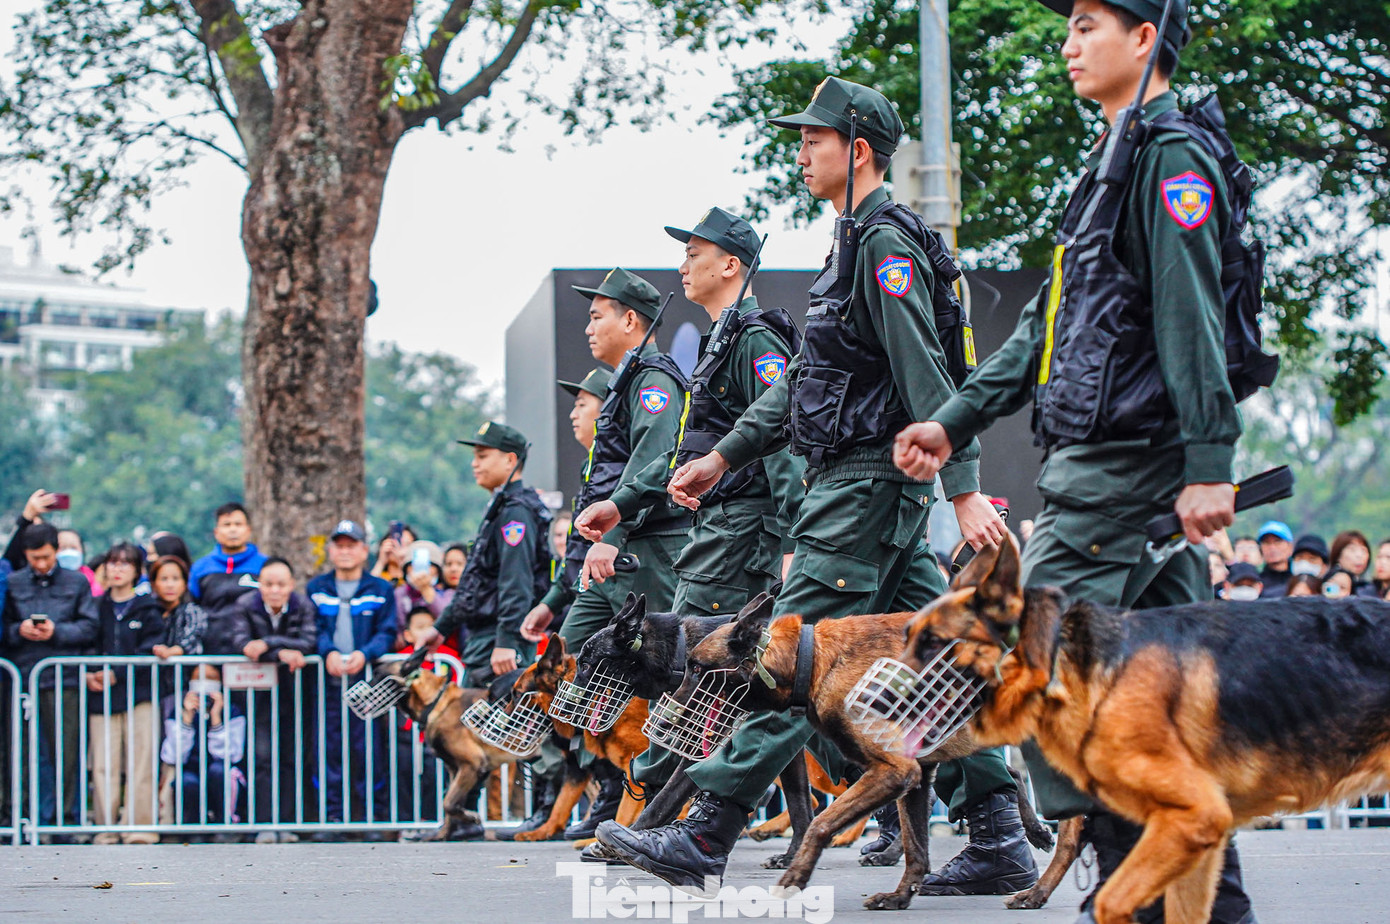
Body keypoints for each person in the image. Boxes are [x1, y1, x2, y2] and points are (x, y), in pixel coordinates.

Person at [888, 1, 1262, 920]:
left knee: (1029, 666)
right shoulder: (1111, 162)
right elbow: (1039, 332)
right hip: (1111, 472)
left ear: (1145, 38)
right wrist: (951, 421)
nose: (1067, 44)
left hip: (1121, 475)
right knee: (1171, 713)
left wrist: (1210, 461)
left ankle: (1129, 881)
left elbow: (1189, 315)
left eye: (1088, 24)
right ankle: (1212, 906)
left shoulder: (1169, 157)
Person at [602, 77, 1015, 893]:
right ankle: (1000, 833)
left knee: (784, 658)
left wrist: (963, 484)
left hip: (864, 487)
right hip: (869, 492)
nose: (800, 153)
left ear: (857, 151)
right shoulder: (851, 243)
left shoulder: (883, 244)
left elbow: (924, 370)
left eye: (812, 140)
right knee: (937, 659)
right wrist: (727, 455)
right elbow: (803, 381)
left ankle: (707, 833)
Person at [422, 422, 552, 687]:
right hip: (486, 639)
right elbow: (474, 581)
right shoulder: (501, 507)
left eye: (482, 456)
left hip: (499, 644)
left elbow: (516, 580)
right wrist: (441, 628)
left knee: (490, 713)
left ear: (510, 460)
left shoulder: (516, 512)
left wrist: (506, 640)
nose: (474, 464)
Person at [2, 522, 100, 830]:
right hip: (22, 678)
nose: (41, 564)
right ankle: (19, 817)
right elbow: (3, 629)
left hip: (63, 678)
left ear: (56, 551)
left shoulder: (77, 582)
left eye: (46, 557)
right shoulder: (13, 582)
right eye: (35, 558)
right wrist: (18, 630)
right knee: (19, 752)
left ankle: (64, 821)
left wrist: (57, 631)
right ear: (25, 555)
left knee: (66, 753)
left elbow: (90, 627)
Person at [307, 519, 397, 832]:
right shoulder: (317, 589)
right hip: (328, 686)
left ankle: (373, 817)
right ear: (331, 550)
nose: (345, 552)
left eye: (351, 545)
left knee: (369, 751)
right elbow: (313, 629)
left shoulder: (381, 589)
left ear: (364, 550)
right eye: (340, 546)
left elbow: (387, 632)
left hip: (367, 686)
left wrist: (366, 653)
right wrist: (328, 651)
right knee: (327, 750)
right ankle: (330, 817)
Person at [229, 556, 317, 838]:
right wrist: (282, 653)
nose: (275, 590)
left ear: (291, 584)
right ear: (260, 585)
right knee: (261, 758)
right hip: (258, 697)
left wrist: (268, 643)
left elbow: (309, 642)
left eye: (281, 584)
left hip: (295, 694)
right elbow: (241, 643)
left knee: (292, 758)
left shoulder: (303, 605)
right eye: (268, 584)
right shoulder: (245, 604)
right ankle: (263, 823)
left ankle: (288, 822)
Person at [85, 541, 165, 844]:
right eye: (112, 562)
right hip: (101, 697)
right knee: (104, 765)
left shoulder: (148, 608)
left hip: (139, 695)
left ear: (137, 571)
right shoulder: (95, 607)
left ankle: (139, 828)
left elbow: (149, 649)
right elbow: (86, 644)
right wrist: (89, 674)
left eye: (125, 563)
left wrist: (116, 673)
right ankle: (105, 829)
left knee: (141, 763)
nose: (117, 569)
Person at [524, 367, 610, 643]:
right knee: (566, 656)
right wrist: (550, 603)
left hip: (622, 586)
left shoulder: (621, 462)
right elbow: (576, 548)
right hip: (594, 589)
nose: (573, 415)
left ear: (608, 409)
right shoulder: (591, 464)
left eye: (582, 405)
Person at [159, 663, 246, 826]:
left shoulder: (232, 711)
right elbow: (172, 757)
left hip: (220, 772)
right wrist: (187, 720)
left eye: (211, 678)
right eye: (198, 678)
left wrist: (216, 719)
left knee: (219, 771)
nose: (205, 682)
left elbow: (232, 756)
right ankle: (192, 828)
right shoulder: (178, 712)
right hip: (192, 771)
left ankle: (227, 825)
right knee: (186, 780)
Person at [188, 503, 267, 654]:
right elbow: (192, 608)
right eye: (227, 524)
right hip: (211, 653)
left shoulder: (265, 566)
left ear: (248, 530)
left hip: (255, 654)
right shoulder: (201, 568)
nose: (233, 529)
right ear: (216, 532)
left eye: (238, 524)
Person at [148, 556, 208, 661]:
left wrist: (169, 652)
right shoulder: (146, 612)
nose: (170, 585)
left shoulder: (192, 612)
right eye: (164, 579)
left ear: (185, 583)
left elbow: (192, 638)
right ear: (153, 584)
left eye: (175, 579)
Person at [394, 540, 446, 635]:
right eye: (414, 565)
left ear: (438, 570)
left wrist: (426, 589)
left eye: (428, 566)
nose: (421, 571)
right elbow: (397, 626)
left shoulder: (447, 594)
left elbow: (445, 619)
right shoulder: (398, 594)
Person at [1257, 520, 1293, 595]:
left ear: (1290, 547)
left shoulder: (1299, 579)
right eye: (1266, 542)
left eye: (1277, 541)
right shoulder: (1257, 583)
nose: (1272, 547)